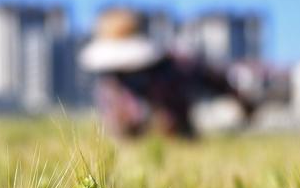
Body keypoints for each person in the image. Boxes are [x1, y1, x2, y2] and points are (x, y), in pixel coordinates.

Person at [79, 8, 256, 138]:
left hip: (180, 144)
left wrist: (242, 101)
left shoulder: (175, 66)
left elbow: (213, 79)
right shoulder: (109, 83)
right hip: (132, 155)